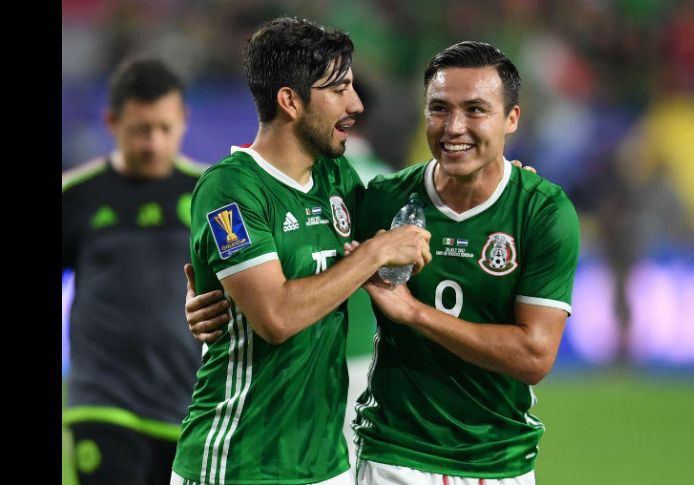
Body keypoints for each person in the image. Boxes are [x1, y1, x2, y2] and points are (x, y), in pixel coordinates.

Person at [186, 40, 575, 485]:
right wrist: (215, 300)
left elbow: (535, 356)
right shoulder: (377, 198)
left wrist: (414, 311)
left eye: (475, 111)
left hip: (383, 462)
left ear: (511, 119)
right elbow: (271, 303)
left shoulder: (343, 182)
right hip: (332, 458)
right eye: (439, 109)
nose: (454, 127)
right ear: (291, 101)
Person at [169, 17, 431, 485]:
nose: (356, 104)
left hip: (325, 462)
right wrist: (372, 254)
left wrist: (498, 173)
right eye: (339, 90)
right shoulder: (231, 188)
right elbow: (275, 318)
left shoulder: (337, 178)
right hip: (240, 462)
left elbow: (431, 196)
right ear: (289, 101)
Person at [62, 58, 205, 485]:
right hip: (103, 403)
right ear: (111, 122)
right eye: (140, 130)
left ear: (184, 121)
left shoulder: (208, 195)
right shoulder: (77, 197)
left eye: (165, 128)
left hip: (190, 409)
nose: (153, 143)